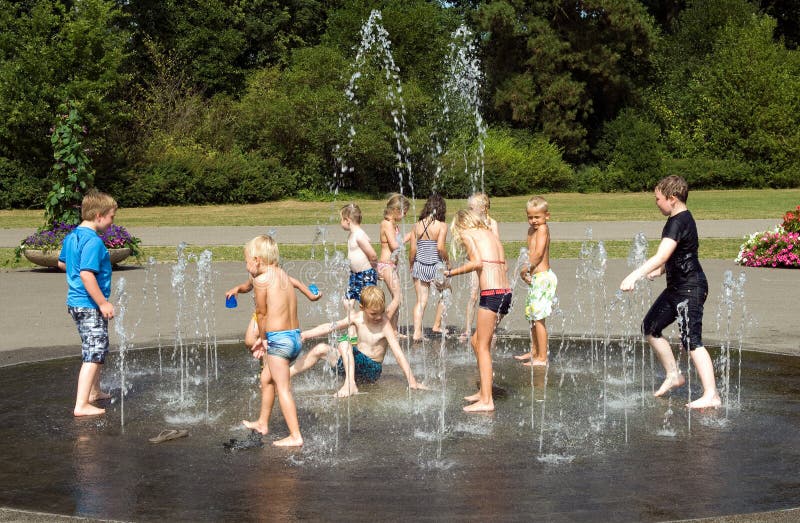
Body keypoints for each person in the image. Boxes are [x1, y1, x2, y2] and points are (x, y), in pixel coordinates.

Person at [620, 175, 720, 409]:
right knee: (651, 327)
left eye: (658, 199)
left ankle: (711, 394)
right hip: (677, 288)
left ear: (672, 199)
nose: (656, 203)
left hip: (691, 288)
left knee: (692, 340)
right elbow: (681, 252)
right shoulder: (681, 218)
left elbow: (663, 254)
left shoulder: (678, 221)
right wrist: (663, 270)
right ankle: (673, 375)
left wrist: (635, 275)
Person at [239, 235, 318, 446]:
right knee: (267, 379)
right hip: (294, 337)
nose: (247, 267)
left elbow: (261, 314)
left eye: (246, 261)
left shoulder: (261, 280)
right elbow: (300, 287)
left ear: (257, 260)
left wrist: (263, 340)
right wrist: (312, 295)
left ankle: (295, 435)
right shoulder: (283, 275)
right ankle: (262, 423)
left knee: (283, 387)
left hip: (278, 340)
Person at [292, 286, 425, 397]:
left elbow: (398, 354)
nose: (378, 317)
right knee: (321, 348)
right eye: (373, 314)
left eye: (381, 312)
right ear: (362, 307)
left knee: (344, 342)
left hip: (371, 370)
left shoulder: (385, 325)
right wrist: (306, 334)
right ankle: (284, 375)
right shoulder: (357, 318)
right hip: (354, 365)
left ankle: (350, 384)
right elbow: (330, 326)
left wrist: (412, 381)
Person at [57, 190, 118, 417]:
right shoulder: (93, 242)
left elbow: (62, 263)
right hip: (90, 303)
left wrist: (76, 267)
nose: (113, 222)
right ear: (99, 215)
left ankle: (94, 392)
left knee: (96, 346)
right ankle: (81, 404)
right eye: (112, 217)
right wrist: (103, 303)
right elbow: (86, 275)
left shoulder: (73, 236)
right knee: (94, 352)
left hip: (77, 302)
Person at [445, 209, 511, 413]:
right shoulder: (491, 233)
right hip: (505, 292)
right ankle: (484, 390)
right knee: (476, 341)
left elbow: (476, 263)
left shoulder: (467, 233)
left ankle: (487, 400)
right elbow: (505, 266)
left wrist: (450, 273)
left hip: (491, 293)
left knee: (482, 346)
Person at [515, 196, 557, 366]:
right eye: (530, 217)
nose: (533, 221)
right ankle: (534, 350)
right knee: (532, 316)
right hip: (536, 277)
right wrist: (526, 271)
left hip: (544, 278)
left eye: (537, 217)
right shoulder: (531, 230)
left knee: (539, 318)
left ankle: (542, 357)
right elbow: (529, 254)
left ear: (547, 216)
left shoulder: (543, 230)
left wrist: (526, 269)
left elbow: (538, 254)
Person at [409, 193, 449, 341]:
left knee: (421, 301)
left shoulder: (416, 226)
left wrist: (411, 264)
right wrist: (448, 261)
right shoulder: (442, 226)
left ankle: (417, 333)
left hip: (420, 264)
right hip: (435, 265)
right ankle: (437, 325)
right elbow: (440, 248)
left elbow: (413, 250)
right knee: (446, 293)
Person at [463, 192, 499, 340]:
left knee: (489, 296)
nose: (470, 211)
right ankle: (467, 329)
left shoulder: (492, 223)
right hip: (474, 262)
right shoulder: (470, 223)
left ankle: (490, 328)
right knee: (473, 295)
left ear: (483, 208)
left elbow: (496, 243)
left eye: (472, 208)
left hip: (489, 264)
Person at [377, 193, 409, 337]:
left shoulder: (392, 224)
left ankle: (394, 330)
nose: (405, 216)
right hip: (386, 265)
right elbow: (395, 245)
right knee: (398, 298)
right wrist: (410, 236)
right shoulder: (387, 224)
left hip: (391, 265)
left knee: (397, 299)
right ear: (396, 210)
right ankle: (381, 326)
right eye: (404, 212)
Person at [341, 203, 378, 308]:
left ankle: (366, 323)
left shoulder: (359, 235)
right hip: (354, 275)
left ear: (347, 220)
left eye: (341, 220)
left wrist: (376, 270)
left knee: (367, 304)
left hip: (366, 274)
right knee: (347, 300)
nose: (340, 223)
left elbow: (373, 255)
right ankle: (352, 322)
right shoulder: (352, 234)